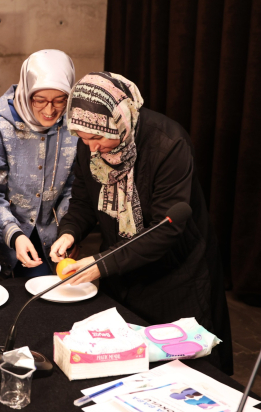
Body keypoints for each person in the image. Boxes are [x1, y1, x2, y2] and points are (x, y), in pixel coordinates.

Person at [49, 72, 233, 374]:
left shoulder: (168, 143)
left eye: (97, 138)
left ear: (119, 121)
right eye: (82, 138)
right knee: (126, 367)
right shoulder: (91, 139)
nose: (91, 148)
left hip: (175, 277)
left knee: (182, 372)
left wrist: (100, 264)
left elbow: (166, 227)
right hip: (122, 273)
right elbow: (83, 201)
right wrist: (69, 233)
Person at [0, 50, 77, 278]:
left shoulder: (75, 127)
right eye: (40, 100)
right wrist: (13, 233)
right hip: (5, 241)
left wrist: (69, 232)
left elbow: (74, 189)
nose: (49, 110)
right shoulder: (0, 127)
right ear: (26, 91)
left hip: (53, 241)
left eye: (60, 100)